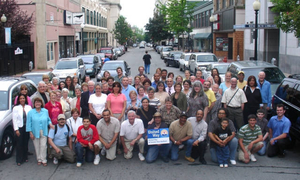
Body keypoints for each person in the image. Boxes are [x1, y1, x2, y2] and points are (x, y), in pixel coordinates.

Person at [26, 98, 54, 166]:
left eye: (39, 102)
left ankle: (44, 159)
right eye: (36, 102)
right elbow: (28, 123)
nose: (37, 104)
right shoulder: (30, 112)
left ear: (41, 104)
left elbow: (48, 119)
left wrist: (50, 124)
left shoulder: (45, 111)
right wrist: (30, 133)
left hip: (44, 130)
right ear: (34, 104)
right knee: (37, 146)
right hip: (35, 131)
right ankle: (39, 159)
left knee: (43, 146)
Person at [13, 94, 32, 166]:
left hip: (27, 127)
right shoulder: (16, 108)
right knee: (19, 144)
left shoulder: (28, 107)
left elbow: (30, 118)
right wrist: (16, 130)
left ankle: (25, 157)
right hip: (20, 127)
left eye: (23, 98)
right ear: (18, 100)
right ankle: (19, 159)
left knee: (25, 143)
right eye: (20, 98)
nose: (22, 100)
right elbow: (14, 119)